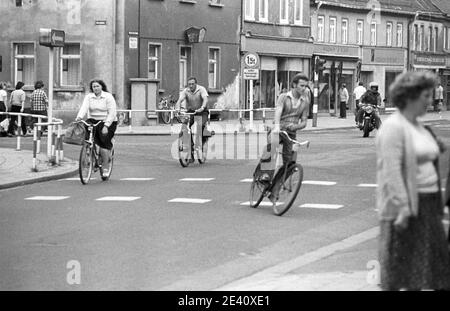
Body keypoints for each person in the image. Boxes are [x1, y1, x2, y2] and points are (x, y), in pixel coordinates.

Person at [376, 71, 450, 291]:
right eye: (426, 96)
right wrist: (404, 208)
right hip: (405, 207)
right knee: (402, 272)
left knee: (426, 269)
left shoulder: (420, 126)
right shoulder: (393, 127)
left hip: (428, 204)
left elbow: (436, 148)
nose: (431, 100)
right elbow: (391, 171)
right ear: (410, 97)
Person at [258, 73, 310, 207]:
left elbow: (304, 122)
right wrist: (276, 126)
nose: (303, 88)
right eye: (301, 86)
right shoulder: (283, 97)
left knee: (290, 163)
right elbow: (278, 111)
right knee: (273, 146)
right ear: (294, 85)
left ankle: (274, 191)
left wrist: (296, 126)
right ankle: (264, 175)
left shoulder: (305, 102)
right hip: (279, 129)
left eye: (305, 86)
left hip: (291, 133)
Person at [75, 79, 118, 176]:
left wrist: (106, 125)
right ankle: (91, 155)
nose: (96, 88)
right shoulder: (89, 97)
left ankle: (105, 167)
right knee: (89, 139)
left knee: (103, 145)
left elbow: (112, 113)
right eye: (94, 86)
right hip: (93, 120)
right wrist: (79, 117)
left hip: (107, 121)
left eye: (97, 86)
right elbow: (84, 108)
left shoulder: (108, 96)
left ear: (102, 86)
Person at [175, 76, 209, 163]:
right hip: (191, 111)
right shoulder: (186, 91)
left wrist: (202, 107)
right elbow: (180, 100)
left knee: (200, 126)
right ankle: (191, 152)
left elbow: (205, 99)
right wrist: (177, 108)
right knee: (185, 127)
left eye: (192, 84)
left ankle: (203, 140)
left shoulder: (201, 89)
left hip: (202, 111)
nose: (190, 86)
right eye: (189, 84)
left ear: (196, 84)